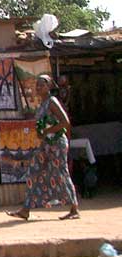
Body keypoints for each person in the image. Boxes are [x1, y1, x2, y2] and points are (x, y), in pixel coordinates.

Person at [6, 74, 80, 221]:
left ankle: (74, 209)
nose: (38, 87)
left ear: (49, 87)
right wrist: (42, 134)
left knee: (61, 173)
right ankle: (25, 210)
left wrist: (47, 131)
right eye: (37, 85)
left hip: (57, 143)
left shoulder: (52, 101)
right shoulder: (43, 103)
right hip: (46, 144)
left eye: (41, 85)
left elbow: (65, 122)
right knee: (33, 171)